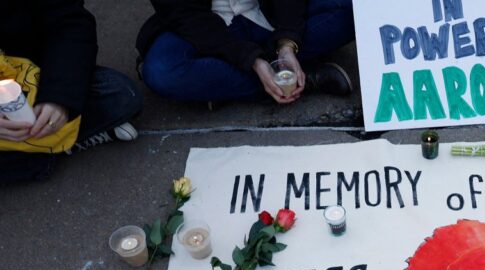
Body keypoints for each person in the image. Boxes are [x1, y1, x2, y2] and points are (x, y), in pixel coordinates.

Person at [0, 0, 143, 184]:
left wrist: (58, 99)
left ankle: (31, 152)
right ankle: (48, 152)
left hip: (34, 76)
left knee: (120, 94)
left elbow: (70, 23)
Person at [137, 0, 356, 105]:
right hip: (207, 27)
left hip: (266, 15)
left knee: (354, 9)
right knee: (162, 71)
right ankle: (302, 79)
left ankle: (219, 85)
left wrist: (287, 43)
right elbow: (183, 14)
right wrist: (252, 60)